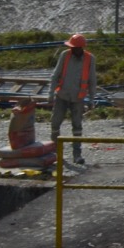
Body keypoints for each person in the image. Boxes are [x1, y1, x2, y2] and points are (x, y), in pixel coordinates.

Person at [47, 33, 95, 165]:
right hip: (62, 96)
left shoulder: (90, 59)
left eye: (74, 47)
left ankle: (77, 155)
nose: (72, 49)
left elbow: (92, 80)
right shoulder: (65, 55)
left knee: (77, 127)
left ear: (80, 48)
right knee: (55, 124)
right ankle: (56, 154)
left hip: (78, 98)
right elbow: (55, 75)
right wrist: (50, 94)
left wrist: (91, 99)